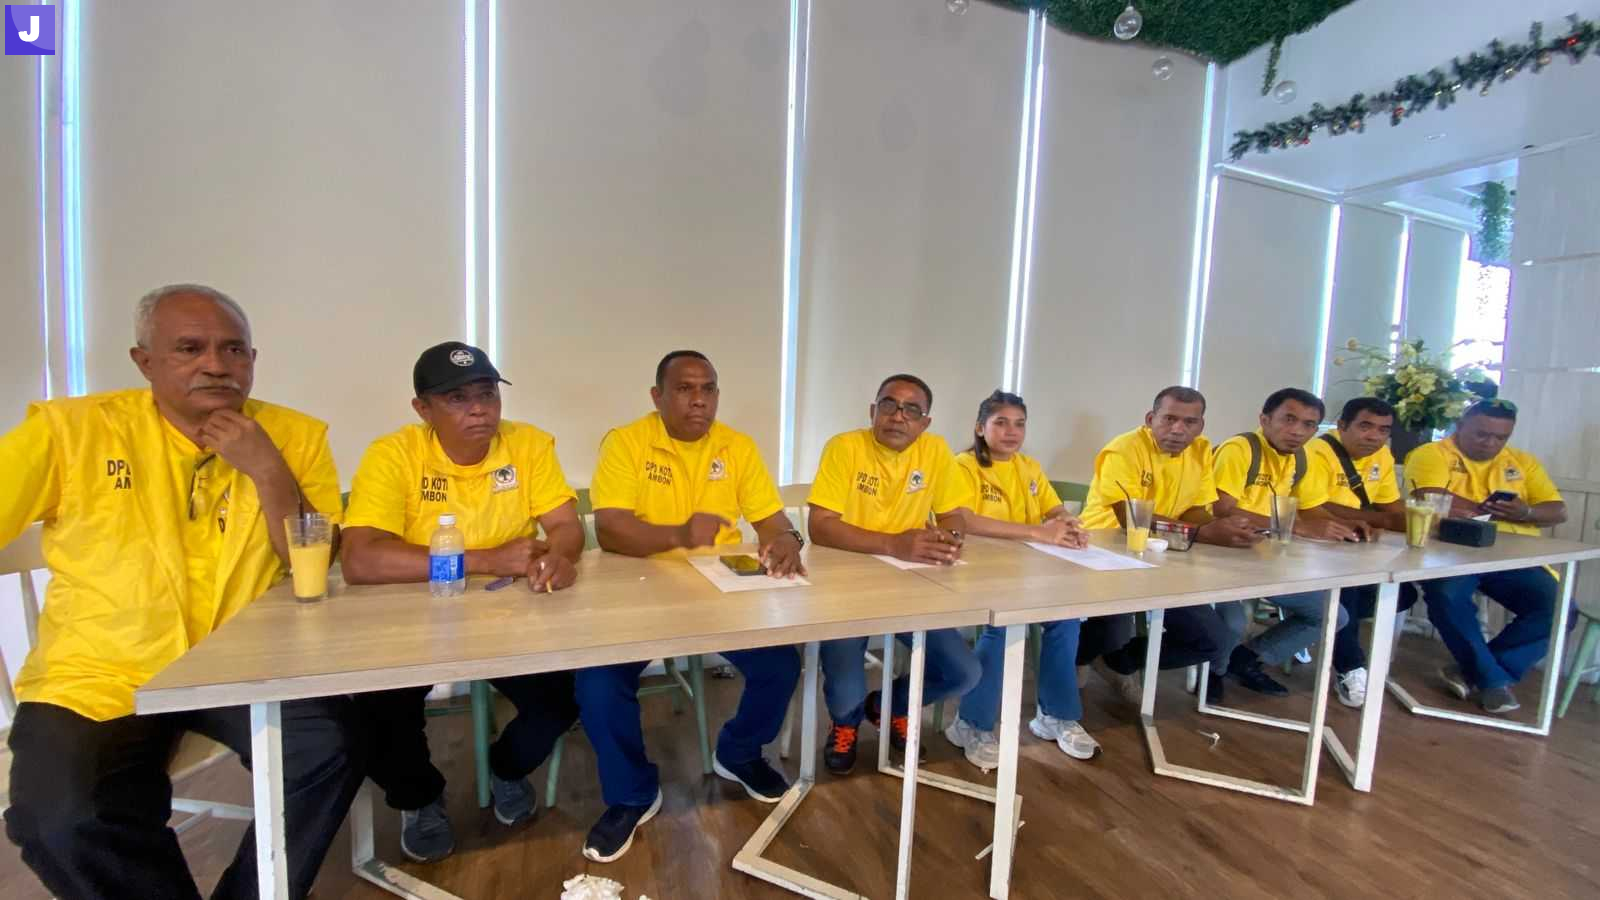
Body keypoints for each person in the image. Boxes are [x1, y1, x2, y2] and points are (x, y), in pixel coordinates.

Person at [0, 284, 365, 900]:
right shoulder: (72, 431)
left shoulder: (293, 435)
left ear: (253, 360)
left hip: (242, 664)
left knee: (331, 748)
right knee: (58, 820)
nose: (216, 365)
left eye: (233, 350)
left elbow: (312, 559)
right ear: (144, 361)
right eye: (190, 349)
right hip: (98, 672)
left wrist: (267, 467)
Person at [341, 341, 584, 862]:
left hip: (508, 614)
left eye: (487, 393)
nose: (479, 409)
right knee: (377, 714)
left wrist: (561, 556)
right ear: (422, 409)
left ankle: (506, 768)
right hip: (412, 617)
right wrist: (485, 559)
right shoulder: (393, 454)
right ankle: (419, 796)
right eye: (457, 398)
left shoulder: (527, 444)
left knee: (563, 699)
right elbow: (360, 560)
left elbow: (565, 524)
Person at [581, 350, 804, 862]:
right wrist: (680, 534)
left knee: (779, 664)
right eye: (684, 389)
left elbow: (771, 520)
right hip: (637, 587)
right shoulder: (626, 442)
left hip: (717, 590)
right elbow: (611, 529)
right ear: (657, 396)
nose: (698, 399)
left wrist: (787, 539)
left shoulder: (737, 446)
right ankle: (632, 793)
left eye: (708, 389)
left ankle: (738, 752)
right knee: (598, 683)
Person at [807, 374, 982, 775]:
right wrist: (892, 544)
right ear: (873, 411)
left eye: (911, 410)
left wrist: (950, 538)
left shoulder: (935, 451)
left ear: (925, 423)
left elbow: (953, 514)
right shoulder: (844, 447)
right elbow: (820, 526)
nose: (898, 416)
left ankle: (890, 706)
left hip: (910, 585)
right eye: (889, 405)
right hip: (843, 586)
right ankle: (845, 724)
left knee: (965, 672)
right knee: (846, 693)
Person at [1077, 386, 1265, 705]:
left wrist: (1219, 527)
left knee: (1213, 641)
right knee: (1112, 622)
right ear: (1151, 418)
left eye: (1190, 422)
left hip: (1169, 555)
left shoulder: (1201, 451)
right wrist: (1203, 533)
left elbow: (1196, 509)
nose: (1178, 429)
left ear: (1201, 426)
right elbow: (1131, 518)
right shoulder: (1124, 450)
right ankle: (1080, 658)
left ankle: (1118, 662)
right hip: (1107, 551)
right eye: (1169, 419)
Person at [941, 391, 1098, 770]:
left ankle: (1055, 715)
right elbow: (964, 519)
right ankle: (971, 724)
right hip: (978, 570)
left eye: (1019, 424)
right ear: (980, 428)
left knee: (1066, 618)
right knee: (1004, 627)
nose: (1012, 432)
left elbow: (1053, 507)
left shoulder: (1028, 467)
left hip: (1028, 571)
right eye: (1001, 423)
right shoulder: (963, 466)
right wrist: (1037, 532)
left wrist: (1067, 522)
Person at [1406, 398, 1567, 714]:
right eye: (1482, 434)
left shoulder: (1523, 462)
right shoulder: (1431, 454)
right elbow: (1434, 500)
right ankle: (1492, 682)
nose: (1490, 443)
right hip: (1448, 553)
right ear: (1460, 425)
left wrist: (1526, 512)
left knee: (1560, 608)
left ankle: (1476, 672)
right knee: (1447, 595)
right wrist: (1501, 511)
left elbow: (1557, 511)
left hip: (1512, 558)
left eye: (1500, 437)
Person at [1212, 388, 1361, 696]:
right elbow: (1221, 509)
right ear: (1265, 419)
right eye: (1289, 419)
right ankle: (1212, 674)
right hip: (1221, 555)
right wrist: (1296, 527)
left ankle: (1247, 659)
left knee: (1332, 615)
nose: (1297, 431)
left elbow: (1311, 507)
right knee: (1232, 623)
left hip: (1269, 558)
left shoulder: (1301, 458)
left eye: (1309, 424)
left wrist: (1348, 525)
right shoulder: (1240, 449)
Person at [1306, 397, 1413, 707]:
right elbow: (1313, 506)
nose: (1374, 436)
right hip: (1315, 542)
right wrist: (1378, 521)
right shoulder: (1316, 452)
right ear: (1342, 426)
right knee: (1346, 588)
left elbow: (1389, 505)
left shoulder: (1382, 456)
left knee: (1403, 593)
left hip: (1356, 543)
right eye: (1365, 426)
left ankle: (1314, 628)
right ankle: (1350, 667)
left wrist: (1420, 519)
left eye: (1383, 430)